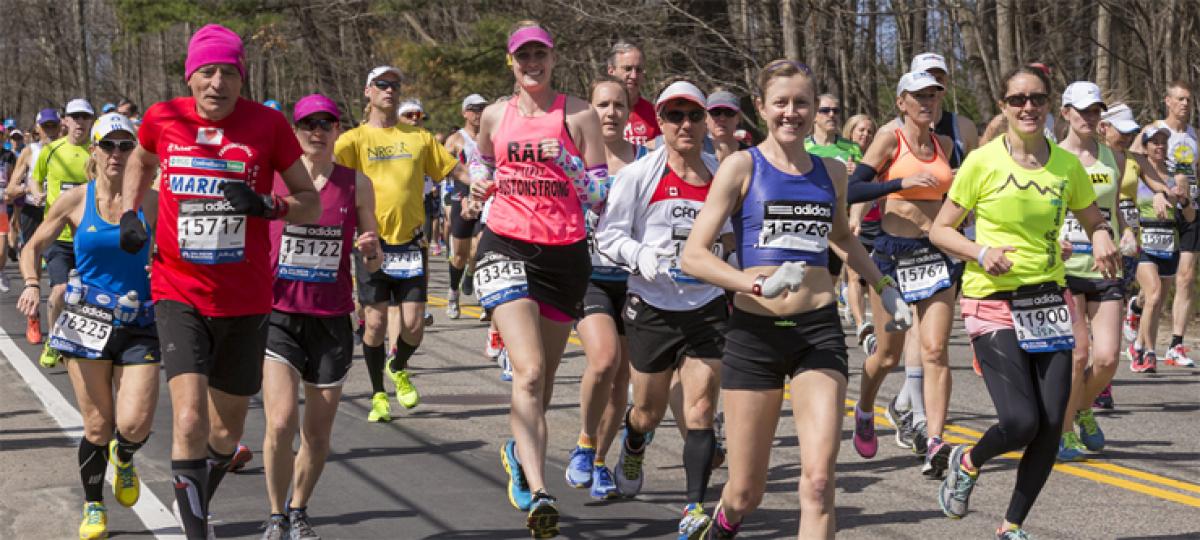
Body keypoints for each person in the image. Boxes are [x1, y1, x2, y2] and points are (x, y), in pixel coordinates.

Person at [680, 58, 911, 539]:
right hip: (754, 335)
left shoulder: (831, 171)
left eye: (801, 102)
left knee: (820, 480)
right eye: (781, 103)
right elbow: (694, 257)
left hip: (817, 333)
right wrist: (755, 285)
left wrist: (886, 287)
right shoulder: (741, 168)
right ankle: (722, 524)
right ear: (761, 108)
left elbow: (843, 238)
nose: (792, 112)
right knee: (745, 492)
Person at [116, 24, 321, 539]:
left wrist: (269, 205)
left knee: (226, 435)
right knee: (188, 421)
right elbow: (141, 159)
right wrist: (128, 211)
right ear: (191, 77)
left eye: (228, 72)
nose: (217, 83)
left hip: (245, 298)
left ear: (241, 78)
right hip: (176, 288)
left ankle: (194, 494)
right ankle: (195, 532)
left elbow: (310, 201)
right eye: (206, 71)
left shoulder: (268, 125)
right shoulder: (163, 118)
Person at [929, 65, 1120, 539]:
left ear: (1048, 104)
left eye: (1036, 98)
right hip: (990, 299)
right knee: (1020, 421)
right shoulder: (982, 162)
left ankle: (1010, 527)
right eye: (1017, 100)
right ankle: (968, 459)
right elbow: (939, 229)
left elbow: (1095, 220)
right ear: (1003, 106)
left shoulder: (1066, 166)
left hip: (1047, 301)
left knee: (1052, 424)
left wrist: (1101, 237)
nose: (1028, 107)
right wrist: (981, 251)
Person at [469, 20, 606, 537]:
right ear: (511, 62)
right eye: (522, 56)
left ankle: (516, 450)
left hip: (564, 254)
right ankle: (540, 490)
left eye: (539, 55)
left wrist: (568, 161)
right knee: (525, 372)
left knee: (543, 381)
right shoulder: (495, 116)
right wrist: (478, 187)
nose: (532, 64)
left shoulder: (579, 115)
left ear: (552, 59)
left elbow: (598, 196)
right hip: (504, 243)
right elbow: (481, 164)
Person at [596, 80, 729, 537]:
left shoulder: (720, 174)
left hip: (705, 304)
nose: (686, 125)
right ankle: (634, 442)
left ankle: (693, 507)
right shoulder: (640, 174)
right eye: (675, 116)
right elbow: (609, 235)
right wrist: (642, 257)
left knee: (699, 410)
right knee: (649, 411)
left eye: (694, 115)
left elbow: (732, 235)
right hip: (652, 304)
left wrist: (727, 258)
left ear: (705, 120)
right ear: (662, 122)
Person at [17, 113, 157, 540]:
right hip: (87, 322)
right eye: (109, 145)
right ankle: (95, 505)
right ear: (93, 151)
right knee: (97, 426)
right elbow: (32, 246)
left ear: (135, 152)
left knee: (133, 424)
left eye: (125, 145)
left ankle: (126, 456)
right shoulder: (77, 199)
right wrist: (31, 282)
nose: (117, 153)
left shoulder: (152, 200)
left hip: (140, 321)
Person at [259, 95, 381, 540]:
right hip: (279, 315)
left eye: (325, 123)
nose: (316, 131)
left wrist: (371, 252)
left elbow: (373, 259)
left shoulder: (356, 184)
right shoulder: (274, 180)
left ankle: (298, 508)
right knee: (279, 421)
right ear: (295, 130)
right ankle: (275, 514)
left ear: (336, 130)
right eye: (307, 123)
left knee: (318, 433)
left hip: (331, 319)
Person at [335, 69, 467, 425]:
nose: (389, 91)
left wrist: (483, 181)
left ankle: (399, 364)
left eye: (395, 85)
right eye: (382, 85)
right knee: (375, 324)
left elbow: (452, 170)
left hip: (410, 242)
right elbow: (326, 175)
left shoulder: (419, 138)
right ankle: (379, 394)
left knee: (413, 324)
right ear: (368, 92)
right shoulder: (353, 140)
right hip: (371, 243)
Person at [565, 76, 646, 501]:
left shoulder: (645, 161)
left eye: (618, 105)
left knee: (620, 383)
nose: (610, 113)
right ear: (589, 111)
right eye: (602, 105)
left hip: (634, 281)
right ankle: (583, 443)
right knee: (603, 360)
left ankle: (599, 462)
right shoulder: (574, 160)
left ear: (629, 112)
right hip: (591, 277)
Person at [1053, 82, 1136, 462]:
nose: (1089, 117)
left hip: (1106, 267)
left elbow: (1115, 207)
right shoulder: (1050, 157)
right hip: (1064, 269)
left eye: (1095, 111)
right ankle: (1065, 431)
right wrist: (1052, 241)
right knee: (1078, 354)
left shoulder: (1112, 157)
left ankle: (1083, 408)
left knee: (1106, 359)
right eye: (1082, 110)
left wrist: (1127, 231)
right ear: (1066, 112)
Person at [30, 98, 95, 369]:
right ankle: (55, 339)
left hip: (90, 237)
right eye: (74, 117)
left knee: (90, 297)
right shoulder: (52, 150)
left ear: (91, 121)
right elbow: (35, 177)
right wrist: (36, 193)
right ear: (64, 120)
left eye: (85, 117)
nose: (79, 122)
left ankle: (85, 343)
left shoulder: (98, 151)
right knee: (60, 290)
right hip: (58, 236)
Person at [1141, 81, 1199, 368]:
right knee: (1159, 285)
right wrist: (1156, 194)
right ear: (1167, 101)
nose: (1185, 104)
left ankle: (1176, 344)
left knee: (1186, 276)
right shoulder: (1153, 130)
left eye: (1188, 99)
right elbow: (1134, 165)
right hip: (1162, 213)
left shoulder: (1193, 135)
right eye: (1179, 99)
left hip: (1190, 211)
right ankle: (1137, 307)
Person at [1129, 126, 1192, 375]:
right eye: (1154, 142)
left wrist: (1183, 200)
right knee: (1153, 295)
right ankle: (1148, 353)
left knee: (1155, 303)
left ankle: (1137, 344)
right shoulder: (1135, 171)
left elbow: (1190, 216)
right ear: (1144, 146)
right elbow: (1131, 149)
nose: (1160, 147)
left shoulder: (1177, 177)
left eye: (1164, 142)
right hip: (1143, 242)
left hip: (1169, 244)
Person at [8, 108, 62, 346]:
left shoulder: (67, 150)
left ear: (61, 127)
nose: (50, 131)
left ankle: (66, 321)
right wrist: (29, 189)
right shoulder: (30, 152)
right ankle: (33, 318)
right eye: (46, 126)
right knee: (35, 268)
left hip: (62, 213)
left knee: (65, 271)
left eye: (53, 126)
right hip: (34, 212)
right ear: (37, 128)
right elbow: (10, 191)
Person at [442, 94, 488, 318]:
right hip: (462, 197)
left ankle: (480, 290)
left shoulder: (490, 135)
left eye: (482, 108)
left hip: (486, 198)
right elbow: (442, 167)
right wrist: (451, 200)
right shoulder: (455, 139)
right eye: (474, 108)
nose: (479, 112)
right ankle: (453, 293)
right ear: (464, 112)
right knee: (459, 255)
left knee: (482, 250)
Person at [608, 41, 660, 146]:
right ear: (611, 70)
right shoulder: (596, 114)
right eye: (627, 69)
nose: (634, 76)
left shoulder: (656, 115)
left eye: (639, 70)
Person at [705, 90, 747, 161]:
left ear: (738, 118)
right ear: (705, 117)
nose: (722, 118)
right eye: (715, 112)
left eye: (729, 112)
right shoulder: (696, 153)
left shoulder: (749, 155)